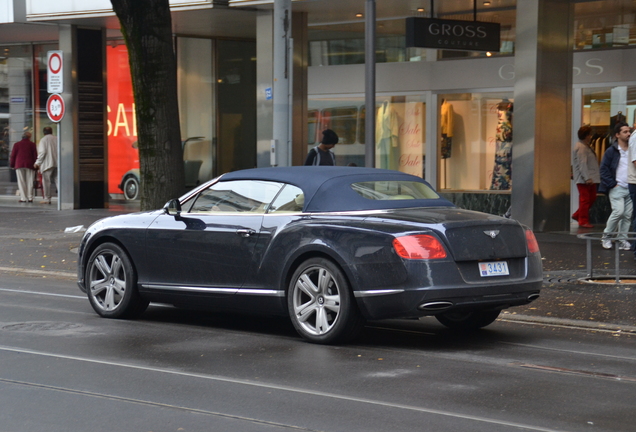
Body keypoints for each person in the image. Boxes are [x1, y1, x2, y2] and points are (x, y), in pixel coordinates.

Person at [599, 122, 633, 250]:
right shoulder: (612, 151)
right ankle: (606, 236)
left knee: (627, 215)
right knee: (618, 212)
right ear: (617, 135)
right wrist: (613, 184)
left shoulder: (632, 149)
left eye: (629, 131)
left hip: (630, 186)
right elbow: (603, 169)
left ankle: (621, 239)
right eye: (625, 132)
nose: (628, 133)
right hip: (617, 187)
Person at [571, 125, 600, 228]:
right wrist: (587, 177)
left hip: (589, 178)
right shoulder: (581, 147)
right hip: (585, 179)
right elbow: (582, 163)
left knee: (591, 198)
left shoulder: (585, 146)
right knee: (585, 199)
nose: (591, 136)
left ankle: (577, 215)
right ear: (586, 135)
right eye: (589, 134)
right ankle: (583, 220)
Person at [9, 131, 38, 203]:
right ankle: (30, 197)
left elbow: (13, 156)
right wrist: (36, 165)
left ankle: (23, 197)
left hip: (19, 164)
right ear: (29, 137)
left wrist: (12, 165)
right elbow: (35, 156)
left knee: (21, 181)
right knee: (30, 181)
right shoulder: (32, 144)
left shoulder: (16, 144)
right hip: (30, 165)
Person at [34, 126, 58, 204]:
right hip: (57, 163)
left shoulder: (43, 140)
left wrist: (37, 163)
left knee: (46, 182)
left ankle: (47, 199)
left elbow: (42, 152)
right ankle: (62, 197)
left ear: (44, 133)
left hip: (47, 164)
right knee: (58, 181)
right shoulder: (57, 138)